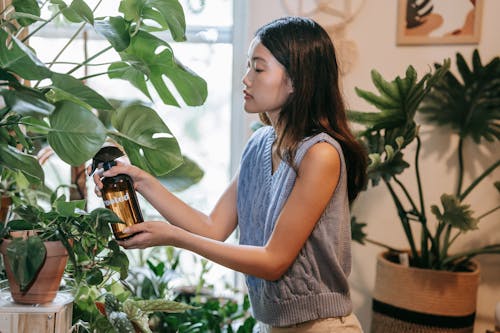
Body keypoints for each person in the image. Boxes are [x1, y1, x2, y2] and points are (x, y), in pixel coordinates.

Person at [92, 16, 367, 332]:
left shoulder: (320, 154)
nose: (246, 78)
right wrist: (141, 182)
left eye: (258, 68)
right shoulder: (260, 143)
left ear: (295, 81)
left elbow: (273, 261)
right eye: (248, 66)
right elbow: (212, 228)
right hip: (269, 325)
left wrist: (173, 237)